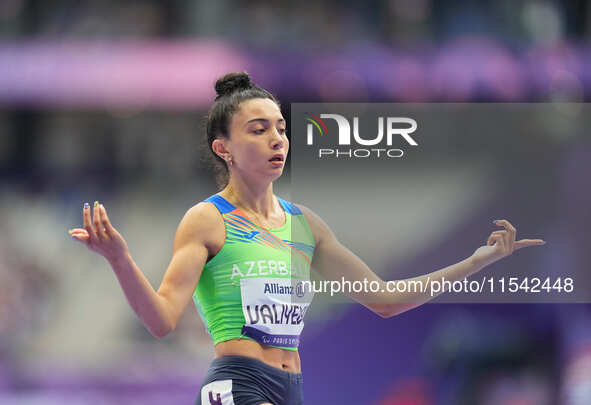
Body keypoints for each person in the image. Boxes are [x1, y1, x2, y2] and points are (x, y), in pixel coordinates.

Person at [69, 72, 545, 405]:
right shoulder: (206, 220)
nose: (277, 138)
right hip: (238, 384)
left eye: (281, 127)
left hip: (291, 388)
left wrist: (476, 262)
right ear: (224, 148)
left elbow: (385, 300)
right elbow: (160, 320)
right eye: (259, 129)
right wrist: (119, 258)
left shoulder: (306, 225)